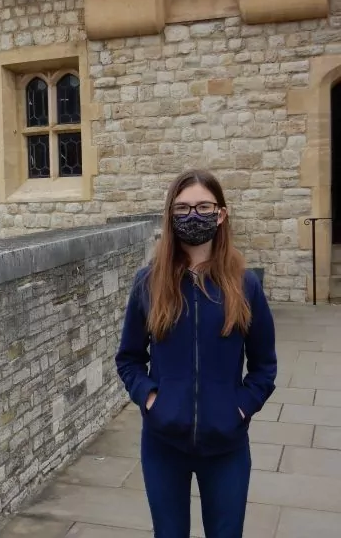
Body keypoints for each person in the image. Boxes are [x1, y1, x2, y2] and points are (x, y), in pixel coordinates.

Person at [115, 169, 277, 538]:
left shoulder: (244, 284)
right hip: (163, 443)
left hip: (226, 445)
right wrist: (152, 398)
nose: (193, 216)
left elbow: (264, 365)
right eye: (183, 208)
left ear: (221, 214)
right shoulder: (148, 281)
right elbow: (129, 358)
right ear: (171, 215)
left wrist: (240, 406)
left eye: (203, 206)